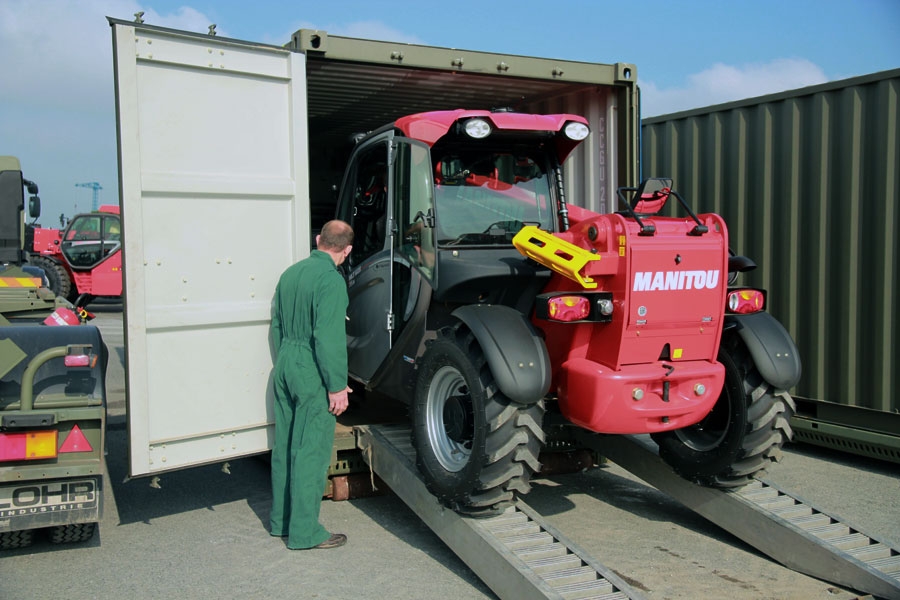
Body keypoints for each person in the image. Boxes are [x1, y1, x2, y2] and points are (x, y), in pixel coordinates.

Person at [269, 220, 354, 550]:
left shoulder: (290, 274)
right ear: (345, 251)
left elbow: (276, 326)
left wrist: (286, 363)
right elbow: (328, 338)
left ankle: (281, 521)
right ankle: (304, 533)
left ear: (318, 240)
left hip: (286, 362)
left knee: (286, 446)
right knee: (311, 452)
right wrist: (337, 386)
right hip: (311, 369)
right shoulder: (331, 281)